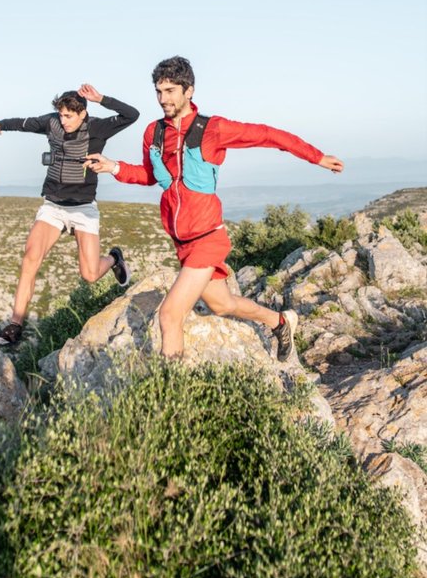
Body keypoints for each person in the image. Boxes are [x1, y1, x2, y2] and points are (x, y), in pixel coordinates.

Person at [86, 57, 344, 361]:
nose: (163, 99)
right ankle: (281, 322)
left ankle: (173, 400)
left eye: (170, 91)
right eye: (159, 91)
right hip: (182, 241)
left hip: (207, 236)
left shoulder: (212, 129)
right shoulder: (153, 134)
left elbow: (268, 135)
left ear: (189, 90)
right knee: (221, 304)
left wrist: (317, 157)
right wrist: (112, 167)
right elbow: (150, 175)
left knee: (169, 316)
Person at [0, 84, 139, 345]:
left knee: (90, 274)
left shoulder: (98, 127)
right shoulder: (52, 123)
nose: (64, 121)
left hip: (83, 208)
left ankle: (114, 259)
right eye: (61, 115)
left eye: (69, 116)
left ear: (83, 113)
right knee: (31, 258)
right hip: (53, 205)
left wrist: (101, 99)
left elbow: (132, 115)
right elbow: (23, 123)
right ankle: (14, 328)